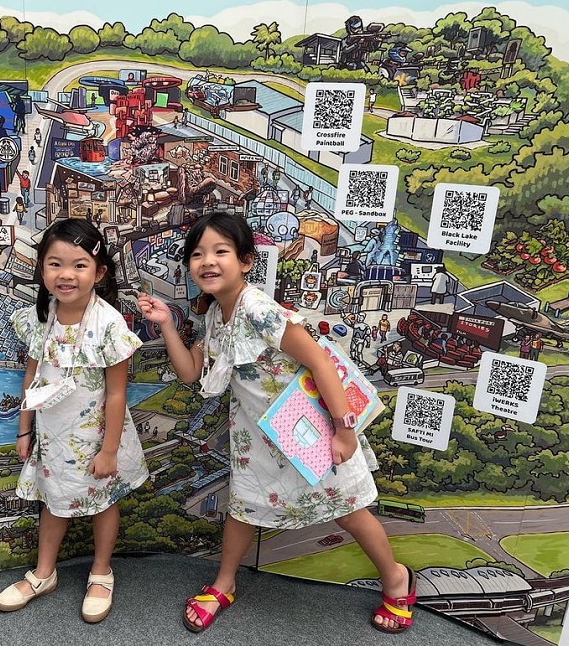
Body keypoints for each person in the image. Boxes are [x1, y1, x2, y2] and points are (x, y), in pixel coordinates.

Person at [137, 210, 415, 634]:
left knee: (349, 510)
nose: (207, 261)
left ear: (246, 261)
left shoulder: (259, 310)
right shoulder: (214, 314)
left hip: (311, 430)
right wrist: (166, 327)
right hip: (258, 438)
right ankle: (224, 584)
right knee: (243, 508)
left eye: (220, 251)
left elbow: (318, 360)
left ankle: (396, 578)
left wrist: (344, 430)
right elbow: (192, 372)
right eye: (197, 254)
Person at [0, 219, 149, 623]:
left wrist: (110, 450)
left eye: (79, 265)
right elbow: (31, 377)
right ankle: (44, 573)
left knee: (104, 501)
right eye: (55, 264)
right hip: (52, 435)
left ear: (99, 273)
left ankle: (101, 571)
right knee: (53, 499)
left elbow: (117, 393)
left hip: (98, 436)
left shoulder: (109, 324)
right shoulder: (37, 319)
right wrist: (24, 427)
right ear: (42, 270)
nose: (66, 275)